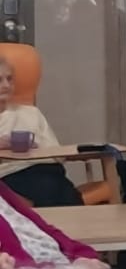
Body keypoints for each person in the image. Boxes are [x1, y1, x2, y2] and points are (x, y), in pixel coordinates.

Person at [0, 51, 72, 207]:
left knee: (60, 187)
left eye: (9, 79)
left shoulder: (32, 113)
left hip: (46, 171)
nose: (6, 85)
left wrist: (36, 148)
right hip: (9, 176)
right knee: (54, 189)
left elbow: (58, 155)